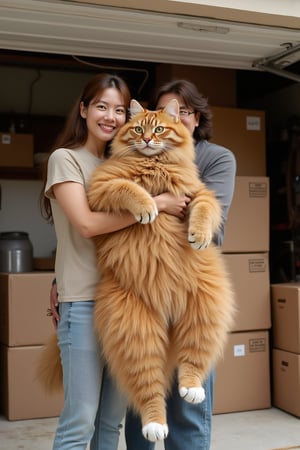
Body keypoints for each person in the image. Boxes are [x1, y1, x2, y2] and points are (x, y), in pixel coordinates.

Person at [42, 73, 189, 450]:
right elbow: (87, 226)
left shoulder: (122, 158)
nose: (110, 116)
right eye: (101, 106)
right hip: (85, 302)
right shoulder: (66, 159)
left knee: (110, 424)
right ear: (84, 109)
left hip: (130, 304)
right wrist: (156, 204)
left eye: (119, 109)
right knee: (80, 421)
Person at [124, 79, 236, 450]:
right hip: (141, 286)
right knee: (143, 393)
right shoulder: (137, 151)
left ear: (194, 116)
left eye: (182, 111)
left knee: (188, 406)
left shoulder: (216, 157)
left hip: (189, 285)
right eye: (166, 110)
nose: (173, 117)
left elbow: (209, 221)